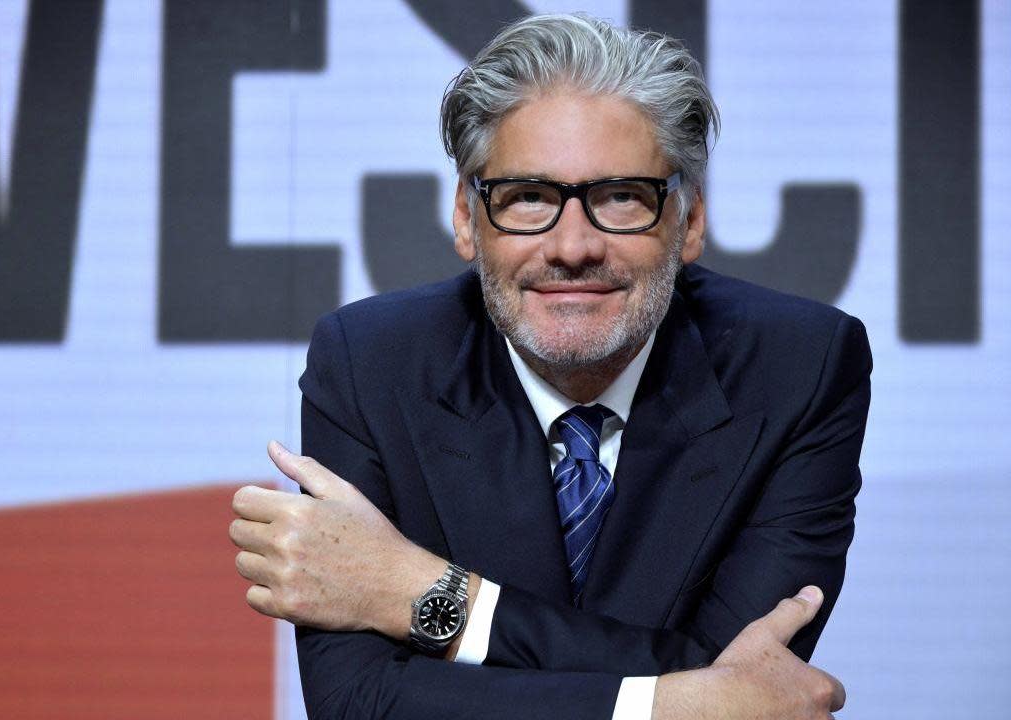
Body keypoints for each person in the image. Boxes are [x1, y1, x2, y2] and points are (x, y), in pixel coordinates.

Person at [229, 13, 869, 719]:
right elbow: (361, 703)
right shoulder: (370, 364)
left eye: (621, 197)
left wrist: (433, 596)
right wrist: (671, 706)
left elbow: (746, 680)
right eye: (529, 198)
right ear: (467, 220)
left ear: (688, 223)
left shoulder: (801, 367)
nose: (572, 247)